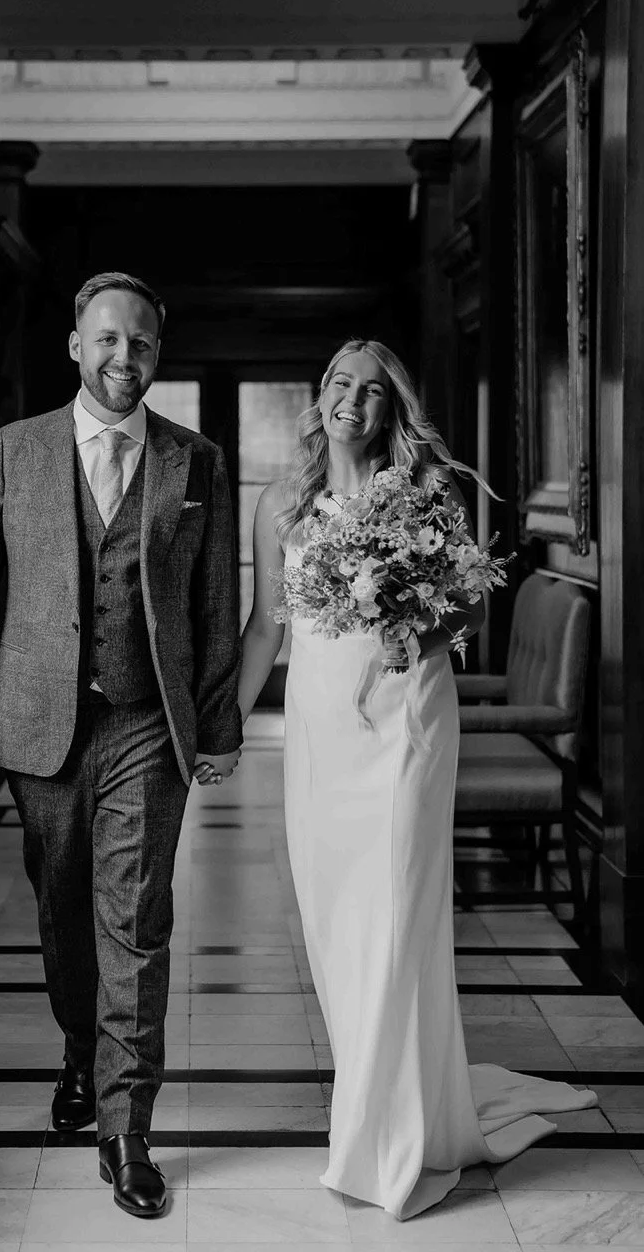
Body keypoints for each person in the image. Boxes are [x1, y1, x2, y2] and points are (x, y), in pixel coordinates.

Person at [237, 338, 595, 1220]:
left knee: (393, 915)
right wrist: (222, 727)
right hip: (322, 732)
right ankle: (393, 1098)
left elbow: (465, 605)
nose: (348, 399)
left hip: (405, 723)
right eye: (335, 382)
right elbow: (263, 631)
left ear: (391, 407)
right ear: (318, 396)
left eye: (367, 388)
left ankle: (382, 1139)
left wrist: (411, 632)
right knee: (335, 922)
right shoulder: (281, 504)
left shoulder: (427, 494)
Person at [0, 272, 242, 1220]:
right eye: (107, 340)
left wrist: (217, 729)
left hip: (148, 723)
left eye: (141, 343)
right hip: (39, 728)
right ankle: (80, 1047)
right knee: (65, 917)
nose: (123, 358)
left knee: (136, 921)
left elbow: (214, 608)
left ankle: (126, 1130)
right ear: (76, 346)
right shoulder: (14, 451)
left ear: (158, 352)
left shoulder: (196, 462)